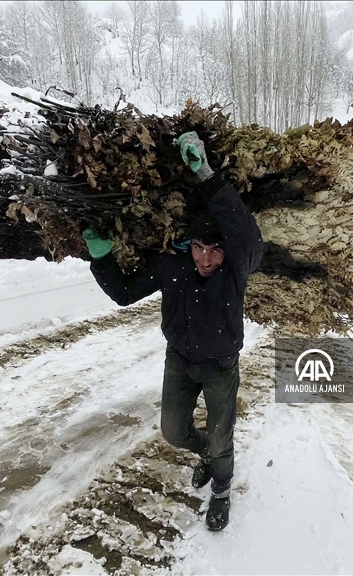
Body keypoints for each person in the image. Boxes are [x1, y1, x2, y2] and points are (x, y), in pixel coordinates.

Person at [82, 132, 264, 532]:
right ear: (188, 245)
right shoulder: (171, 265)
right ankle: (207, 456)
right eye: (200, 247)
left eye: (216, 249)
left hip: (219, 366)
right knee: (174, 431)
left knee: (221, 436)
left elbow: (246, 234)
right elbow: (126, 294)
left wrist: (205, 172)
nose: (207, 257)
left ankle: (221, 488)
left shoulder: (237, 269)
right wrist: (102, 259)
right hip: (179, 363)